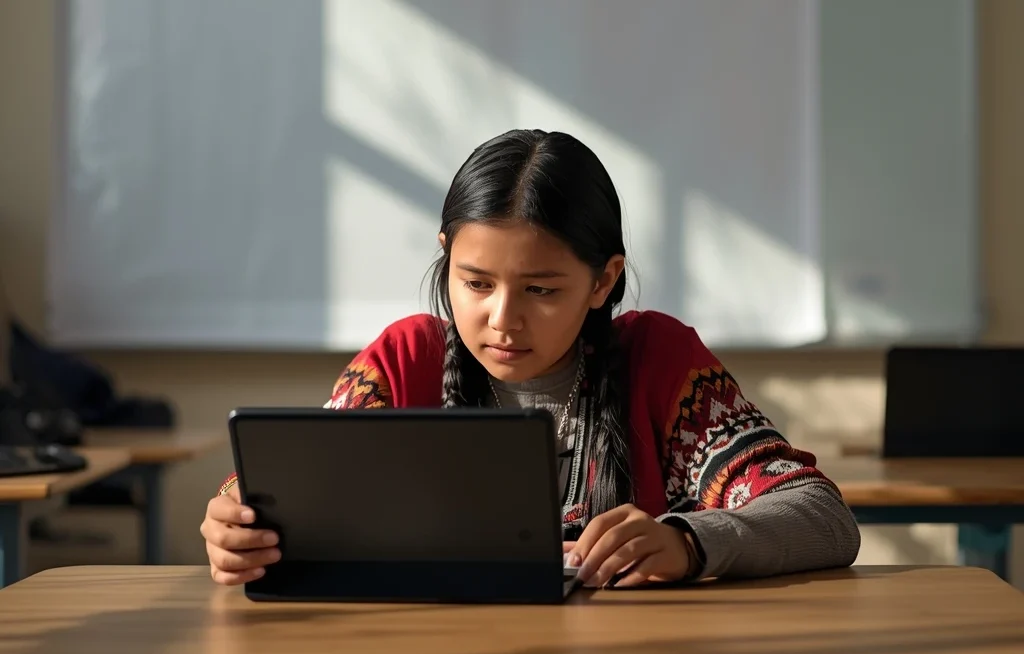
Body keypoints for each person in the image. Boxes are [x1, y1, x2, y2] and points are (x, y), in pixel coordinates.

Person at [201, 129, 861, 588]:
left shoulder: (657, 358)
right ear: (445, 255)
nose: (502, 318)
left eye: (541, 290)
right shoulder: (406, 360)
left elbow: (824, 518)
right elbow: (294, 499)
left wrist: (691, 543)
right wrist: (238, 521)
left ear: (604, 281)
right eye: (476, 282)